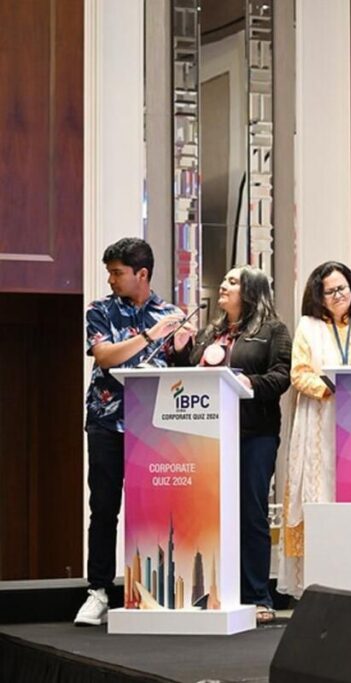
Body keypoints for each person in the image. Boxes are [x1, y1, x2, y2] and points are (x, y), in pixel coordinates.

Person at [170, 266, 291, 624]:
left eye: (233, 282)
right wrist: (181, 350)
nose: (223, 285)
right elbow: (191, 372)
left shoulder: (273, 330)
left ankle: (257, 596)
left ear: (251, 291)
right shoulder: (211, 331)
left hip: (255, 434)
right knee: (210, 514)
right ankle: (215, 592)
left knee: (251, 513)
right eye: (224, 280)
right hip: (208, 436)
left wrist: (246, 382)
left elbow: (281, 375)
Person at [75, 238, 184, 626]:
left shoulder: (171, 314)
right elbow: (106, 357)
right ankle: (99, 591)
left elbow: (182, 367)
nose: (111, 279)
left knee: (154, 511)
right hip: (106, 421)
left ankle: (152, 591)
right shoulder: (99, 310)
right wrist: (151, 335)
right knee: (104, 507)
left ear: (142, 274)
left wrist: (182, 343)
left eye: (117, 272)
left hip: (154, 427)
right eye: (109, 272)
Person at [278, 261, 351, 596]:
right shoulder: (309, 327)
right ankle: (319, 582)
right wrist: (332, 387)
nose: (338, 295)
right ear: (319, 296)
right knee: (319, 493)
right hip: (320, 419)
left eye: (342, 288)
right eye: (329, 291)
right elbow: (298, 374)